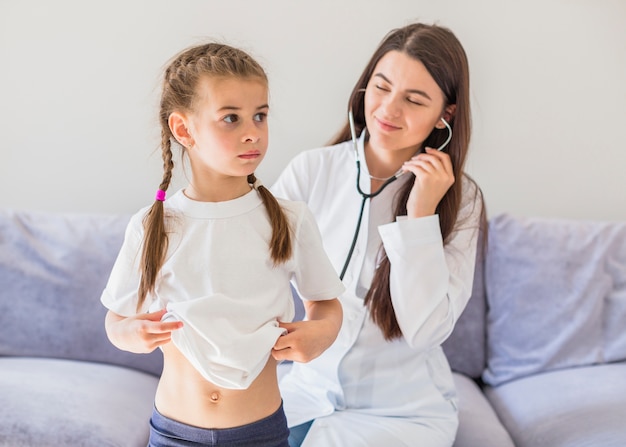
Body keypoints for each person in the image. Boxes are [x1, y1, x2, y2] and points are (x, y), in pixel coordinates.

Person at [100, 43, 344, 447]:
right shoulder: (153, 226)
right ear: (183, 130)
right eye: (231, 118)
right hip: (174, 432)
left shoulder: (289, 219)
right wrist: (130, 335)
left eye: (260, 116)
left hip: (260, 432)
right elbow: (116, 320)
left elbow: (326, 303)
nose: (253, 132)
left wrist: (320, 333)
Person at [271, 22, 486, 446]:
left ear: (447, 113)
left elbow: (425, 330)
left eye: (414, 99)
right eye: (381, 87)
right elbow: (252, 264)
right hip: (305, 394)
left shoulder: (462, 200)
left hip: (402, 414)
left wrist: (420, 214)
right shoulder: (312, 170)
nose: (388, 109)